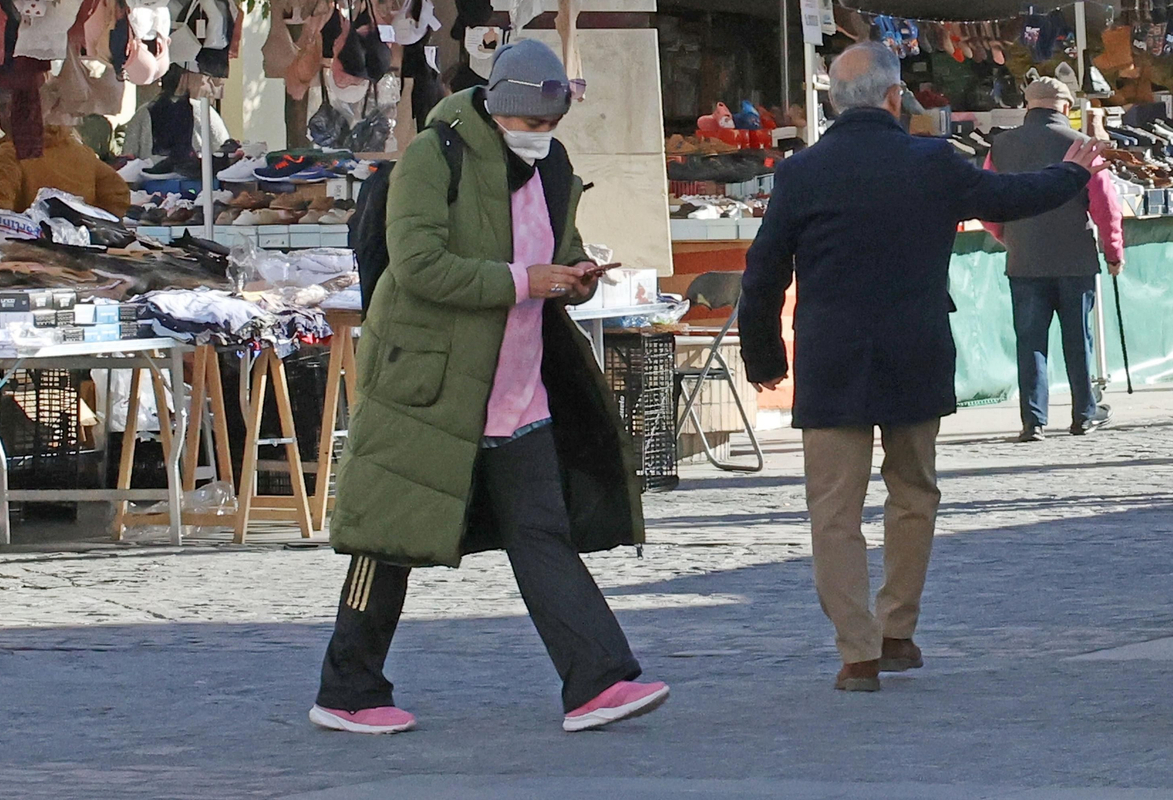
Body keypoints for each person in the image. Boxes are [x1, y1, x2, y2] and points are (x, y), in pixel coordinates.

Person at [312, 40, 668, 735]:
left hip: (517, 386)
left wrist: (573, 276)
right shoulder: (434, 156)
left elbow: (554, 249)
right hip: (429, 386)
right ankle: (347, 689)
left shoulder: (551, 166)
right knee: (388, 538)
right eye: (532, 123)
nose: (543, 135)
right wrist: (522, 281)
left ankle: (598, 679)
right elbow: (417, 265)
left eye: (552, 124)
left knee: (542, 533)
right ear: (500, 108)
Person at [739, 42, 1108, 692]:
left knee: (834, 510)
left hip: (832, 357)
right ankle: (896, 630)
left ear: (834, 103)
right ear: (894, 97)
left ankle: (857, 654)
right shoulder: (932, 161)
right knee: (914, 493)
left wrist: (763, 355)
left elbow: (763, 271)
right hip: (915, 349)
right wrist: (1070, 174)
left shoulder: (801, 172)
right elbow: (1009, 196)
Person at [983, 77, 1123, 442]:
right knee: (1078, 340)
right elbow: (1105, 206)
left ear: (1026, 106)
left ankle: (1034, 420)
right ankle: (1084, 414)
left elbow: (987, 201)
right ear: (1065, 107)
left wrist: (1007, 237)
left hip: (1024, 259)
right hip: (1074, 258)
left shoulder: (1001, 145)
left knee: (1030, 342)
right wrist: (1113, 252)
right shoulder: (1081, 145)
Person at [0, 105, 130, 215]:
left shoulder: (12, 151)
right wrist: (96, 222)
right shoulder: (81, 151)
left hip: (31, 240)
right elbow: (118, 194)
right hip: (80, 239)